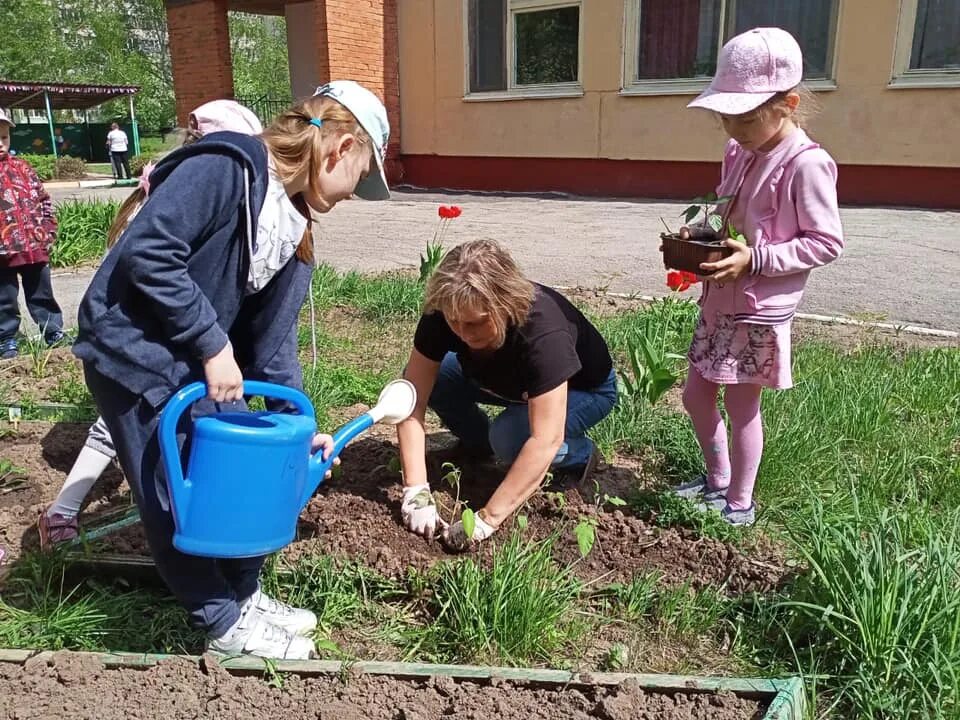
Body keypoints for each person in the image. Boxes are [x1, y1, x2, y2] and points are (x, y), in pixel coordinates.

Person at [73, 80, 391, 659]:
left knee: (241, 471)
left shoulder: (294, 225)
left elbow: (273, 347)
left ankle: (243, 595)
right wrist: (212, 343)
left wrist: (301, 426)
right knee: (172, 491)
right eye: (362, 177)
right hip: (134, 350)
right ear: (340, 148)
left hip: (191, 360)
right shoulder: (228, 168)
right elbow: (149, 252)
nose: (354, 194)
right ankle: (220, 624)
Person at [38, 100, 264, 549]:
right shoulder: (177, 191)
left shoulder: (192, 183)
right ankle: (65, 510)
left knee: (140, 428)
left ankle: (181, 504)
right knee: (114, 427)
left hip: (169, 341)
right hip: (139, 344)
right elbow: (147, 271)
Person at [671, 28, 844, 526]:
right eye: (724, 115)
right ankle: (717, 479)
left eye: (744, 117)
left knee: (743, 405)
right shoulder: (739, 151)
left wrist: (756, 260)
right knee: (695, 394)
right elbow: (733, 212)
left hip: (758, 310)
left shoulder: (806, 166)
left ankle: (741, 502)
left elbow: (826, 242)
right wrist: (704, 231)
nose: (732, 126)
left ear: (788, 103)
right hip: (719, 299)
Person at [396, 239, 617, 551]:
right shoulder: (447, 308)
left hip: (585, 390)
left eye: (475, 323)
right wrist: (416, 490)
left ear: (504, 304)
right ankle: (477, 446)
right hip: (509, 384)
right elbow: (411, 399)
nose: (462, 332)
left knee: (511, 439)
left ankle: (581, 454)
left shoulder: (542, 332)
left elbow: (545, 439)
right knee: (438, 378)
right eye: (454, 322)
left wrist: (486, 520)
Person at [0, 109, 69, 359]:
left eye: (4, 137)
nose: (0, 143)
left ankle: (52, 331)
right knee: (4, 298)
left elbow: (42, 198)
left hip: (33, 245)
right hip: (2, 252)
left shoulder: (22, 167)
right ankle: (6, 339)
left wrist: (48, 229)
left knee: (42, 292)